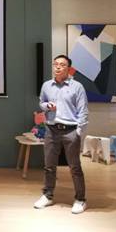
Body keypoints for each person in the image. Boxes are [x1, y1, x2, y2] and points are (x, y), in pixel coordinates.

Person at [33, 54, 89, 214]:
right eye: (55, 64)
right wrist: (46, 106)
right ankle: (47, 195)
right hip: (51, 129)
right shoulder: (47, 85)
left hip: (71, 130)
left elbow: (83, 110)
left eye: (62, 64)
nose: (58, 67)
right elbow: (41, 102)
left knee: (74, 167)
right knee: (49, 166)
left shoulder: (77, 87)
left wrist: (79, 131)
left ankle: (80, 199)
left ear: (68, 68)